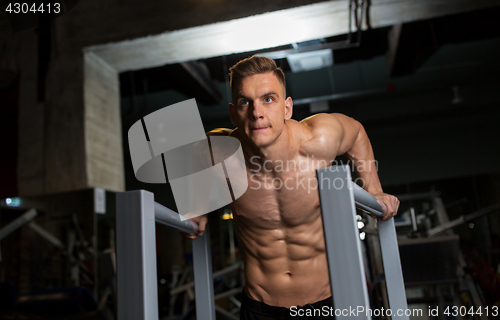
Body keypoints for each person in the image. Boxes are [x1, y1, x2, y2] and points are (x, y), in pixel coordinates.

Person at [184, 56, 399, 319]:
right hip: (260, 305)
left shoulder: (318, 140)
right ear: (232, 113)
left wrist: (374, 190)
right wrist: (197, 207)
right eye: (245, 102)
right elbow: (196, 154)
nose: (257, 112)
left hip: (327, 302)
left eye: (268, 99)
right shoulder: (218, 152)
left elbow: (355, 134)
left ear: (287, 108)